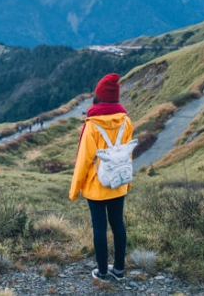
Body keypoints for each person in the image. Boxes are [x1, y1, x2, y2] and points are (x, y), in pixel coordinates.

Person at [69, 73, 133, 282]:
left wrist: (74, 190)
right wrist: (127, 182)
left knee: (99, 226)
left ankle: (103, 272)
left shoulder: (92, 125)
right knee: (118, 224)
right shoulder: (125, 121)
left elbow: (84, 160)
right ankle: (120, 270)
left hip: (97, 187)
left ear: (99, 97)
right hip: (118, 183)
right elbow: (127, 156)